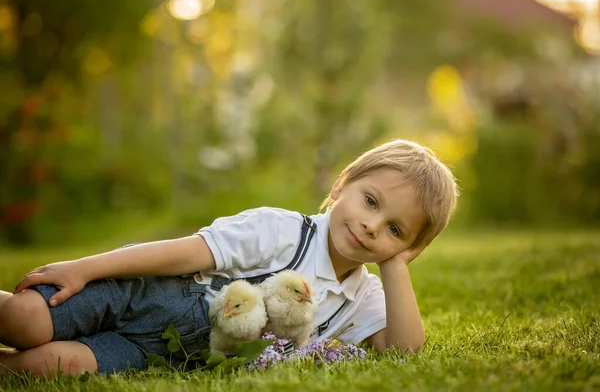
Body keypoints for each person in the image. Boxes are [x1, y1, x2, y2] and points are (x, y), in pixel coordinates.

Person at [0, 139, 458, 378]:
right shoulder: (280, 230)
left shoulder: (360, 296)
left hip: (164, 352)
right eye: (371, 201)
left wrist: (395, 262)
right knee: (25, 319)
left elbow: (403, 351)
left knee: (53, 367)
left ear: (408, 247)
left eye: (395, 230)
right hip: (140, 295)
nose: (372, 227)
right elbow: (182, 253)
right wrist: (86, 268)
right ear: (340, 186)